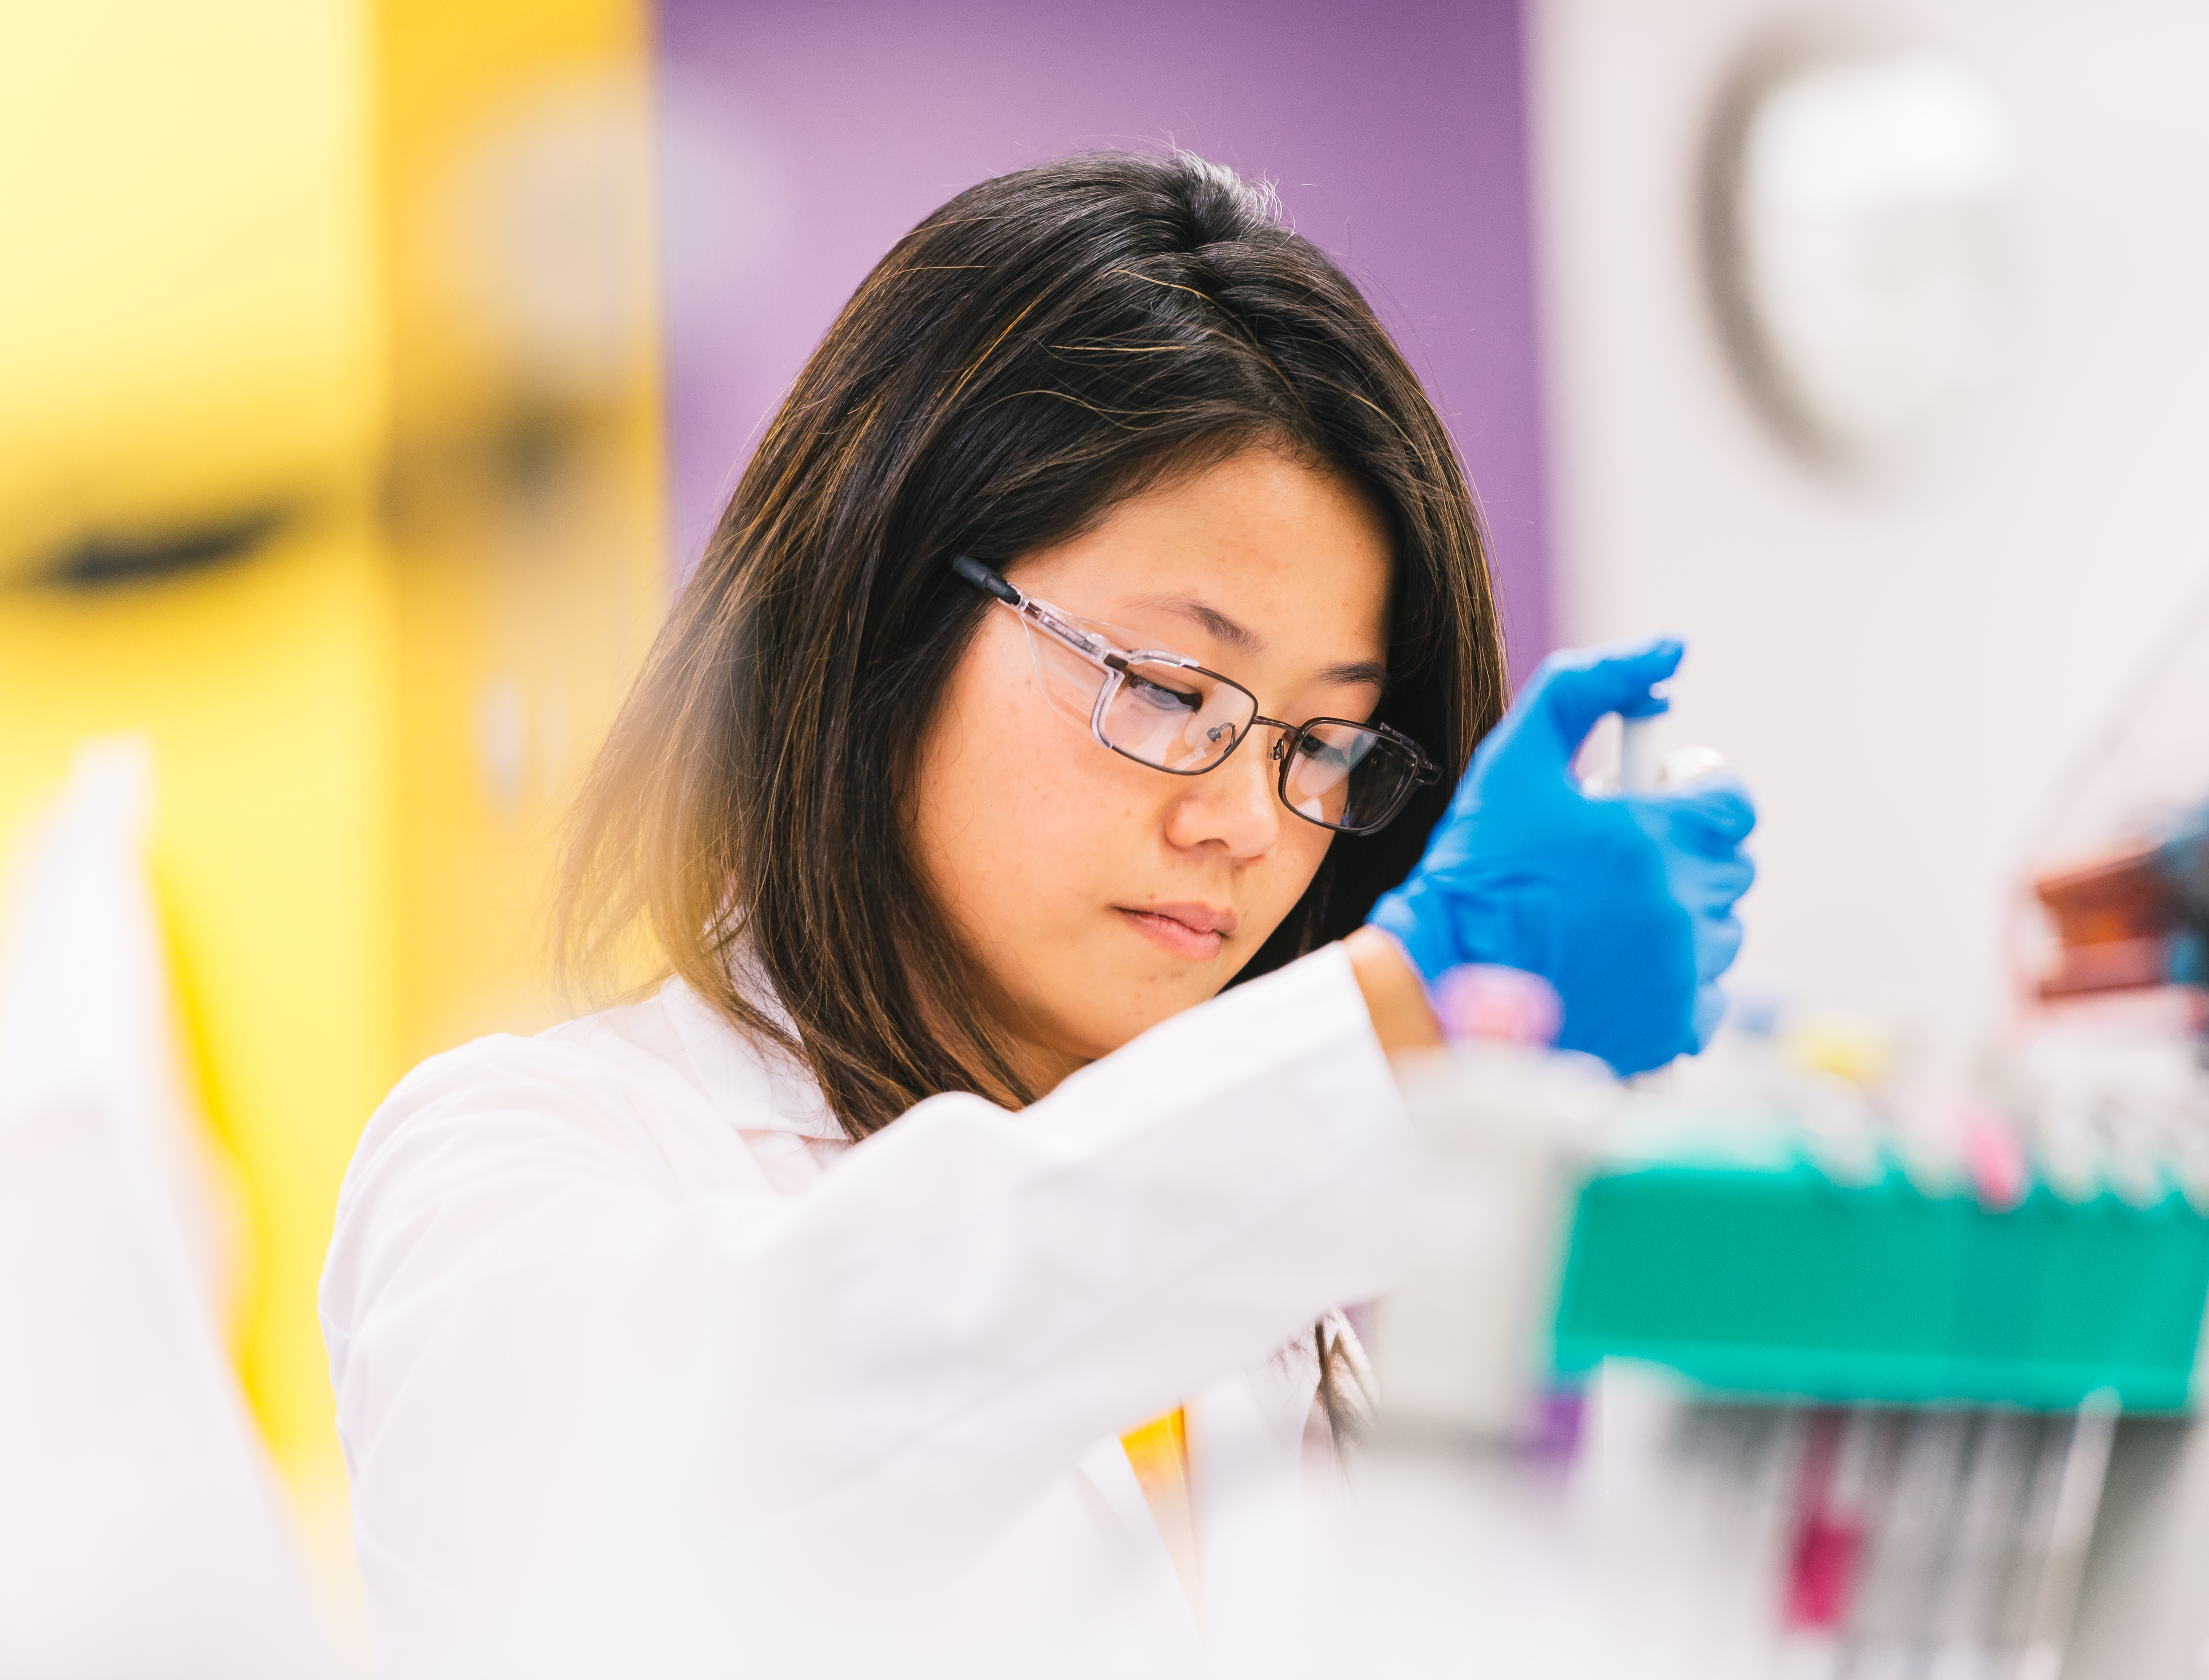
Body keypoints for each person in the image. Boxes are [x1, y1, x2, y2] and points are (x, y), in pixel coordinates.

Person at [319, 150, 1755, 1678]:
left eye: (1324, 745)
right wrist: (1403, 1007)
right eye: (1163, 686)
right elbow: (763, 1434)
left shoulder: (1307, 1315)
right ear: (883, 610)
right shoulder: (515, 1166)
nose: (1247, 824)